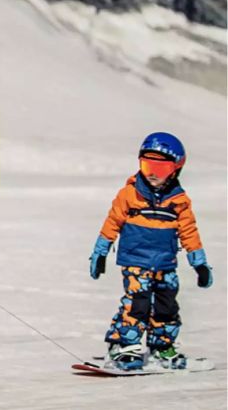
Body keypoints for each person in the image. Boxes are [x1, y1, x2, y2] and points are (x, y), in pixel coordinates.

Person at [88, 132, 213, 371]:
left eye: (161, 168)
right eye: (147, 166)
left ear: (176, 169)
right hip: (136, 261)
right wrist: (100, 252)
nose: (153, 173)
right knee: (137, 303)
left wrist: (199, 263)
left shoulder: (179, 201)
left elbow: (189, 232)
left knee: (167, 306)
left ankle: (162, 347)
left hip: (165, 263)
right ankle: (124, 345)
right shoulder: (129, 194)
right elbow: (112, 222)